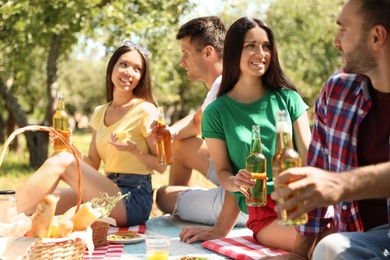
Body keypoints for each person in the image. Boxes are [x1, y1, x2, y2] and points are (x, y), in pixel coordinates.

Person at [270, 0, 390, 258]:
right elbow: (318, 168)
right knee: (330, 248)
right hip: (361, 241)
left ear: (376, 37)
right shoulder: (337, 91)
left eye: (344, 30)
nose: (336, 41)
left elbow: (332, 182)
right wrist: (300, 253)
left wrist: (342, 183)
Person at [15, 40, 166, 227]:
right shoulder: (100, 111)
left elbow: (162, 166)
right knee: (44, 199)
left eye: (137, 69)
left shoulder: (146, 110)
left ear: (142, 76)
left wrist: (135, 151)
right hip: (108, 189)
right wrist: (68, 144)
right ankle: (8, 218)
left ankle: (6, 213)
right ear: (112, 68)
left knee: (61, 160)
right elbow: (93, 163)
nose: (129, 72)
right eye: (124, 64)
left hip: (133, 199)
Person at [202, 17, 311, 251]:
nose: (260, 53)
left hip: (304, 204)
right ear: (233, 51)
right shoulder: (216, 112)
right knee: (320, 246)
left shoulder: (289, 99)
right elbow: (222, 171)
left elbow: (310, 156)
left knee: (346, 238)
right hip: (265, 214)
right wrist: (234, 181)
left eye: (266, 46)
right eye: (250, 45)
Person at [154, 16, 248, 243]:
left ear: (208, 53)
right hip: (243, 181)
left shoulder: (224, 88)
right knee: (181, 145)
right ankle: (192, 200)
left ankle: (189, 201)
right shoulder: (227, 82)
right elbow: (197, 122)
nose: (181, 62)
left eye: (186, 54)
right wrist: (169, 132)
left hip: (244, 200)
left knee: (162, 195)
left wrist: (219, 229)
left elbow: (240, 165)